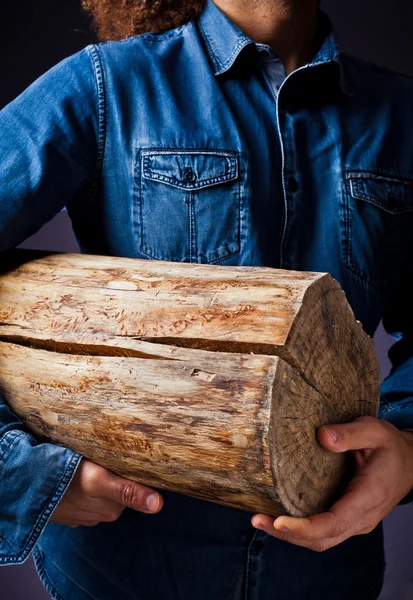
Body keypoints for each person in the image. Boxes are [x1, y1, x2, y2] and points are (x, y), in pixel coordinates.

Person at [1, 0, 413, 598]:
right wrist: (24, 478)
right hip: (127, 572)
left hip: (326, 576)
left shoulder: (402, 116)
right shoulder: (104, 86)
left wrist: (406, 447)